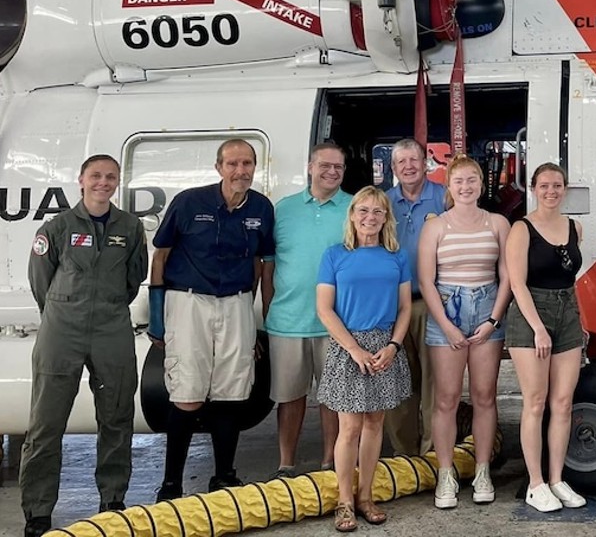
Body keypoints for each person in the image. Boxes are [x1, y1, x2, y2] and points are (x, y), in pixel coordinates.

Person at [20, 155, 148, 537]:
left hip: (111, 327)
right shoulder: (57, 226)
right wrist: (66, 310)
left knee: (117, 417)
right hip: (62, 328)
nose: (103, 183)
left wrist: (104, 307)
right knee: (46, 424)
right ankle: (38, 511)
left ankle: (112, 500)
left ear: (118, 181)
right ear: (81, 180)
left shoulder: (130, 227)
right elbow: (40, 281)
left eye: (110, 177)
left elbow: (134, 277)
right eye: (96, 176)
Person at [148, 138, 275, 501]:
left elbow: (261, 264)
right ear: (219, 168)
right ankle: (171, 482)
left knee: (231, 391)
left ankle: (224, 476)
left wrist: (253, 319)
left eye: (247, 164)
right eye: (233, 164)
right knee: (187, 390)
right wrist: (158, 316)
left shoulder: (262, 208)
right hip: (189, 302)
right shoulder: (189, 202)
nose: (241, 171)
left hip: (236, 303)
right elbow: (161, 255)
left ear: (255, 167)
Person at [316, 186, 413, 532]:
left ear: (386, 217)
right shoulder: (334, 255)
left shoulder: (396, 257)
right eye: (363, 211)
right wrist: (353, 349)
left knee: (375, 425)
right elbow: (325, 310)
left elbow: (404, 309)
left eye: (377, 211)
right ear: (353, 215)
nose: (370, 218)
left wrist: (394, 345)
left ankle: (366, 496)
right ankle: (344, 501)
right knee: (350, 428)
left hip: (384, 346)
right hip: (348, 347)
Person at [417, 155, 511, 508]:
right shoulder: (436, 226)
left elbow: (507, 277)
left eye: (472, 180)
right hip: (447, 310)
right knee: (447, 399)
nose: (466, 187)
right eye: (459, 181)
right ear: (450, 187)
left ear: (480, 184)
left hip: (487, 307)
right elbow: (427, 280)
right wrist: (446, 325)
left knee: (485, 396)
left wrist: (493, 320)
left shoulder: (498, 223)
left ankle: (483, 471)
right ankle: (446, 474)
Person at [262, 143, 352, 477]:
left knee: (333, 397)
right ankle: (287, 462)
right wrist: (270, 310)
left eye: (338, 167)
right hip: (288, 321)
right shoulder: (283, 210)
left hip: (338, 322)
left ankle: (331, 461)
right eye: (325, 165)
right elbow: (269, 266)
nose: (332, 172)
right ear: (310, 167)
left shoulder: (354, 207)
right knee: (289, 397)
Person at [505, 162, 588, 513]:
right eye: (544, 185)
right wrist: (538, 328)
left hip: (567, 312)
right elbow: (517, 283)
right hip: (530, 316)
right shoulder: (522, 229)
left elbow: (571, 282)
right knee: (536, 402)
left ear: (564, 188)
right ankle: (536, 483)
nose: (551, 191)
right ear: (533, 188)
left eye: (557, 185)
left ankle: (556, 478)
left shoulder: (575, 227)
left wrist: (579, 319)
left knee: (563, 402)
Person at [384, 138, 448, 457]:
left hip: (431, 302)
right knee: (397, 382)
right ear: (393, 168)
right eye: (401, 162)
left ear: (425, 163)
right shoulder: (383, 203)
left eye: (414, 160)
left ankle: (432, 454)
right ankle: (404, 456)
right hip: (392, 305)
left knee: (434, 383)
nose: (408, 166)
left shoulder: (443, 198)